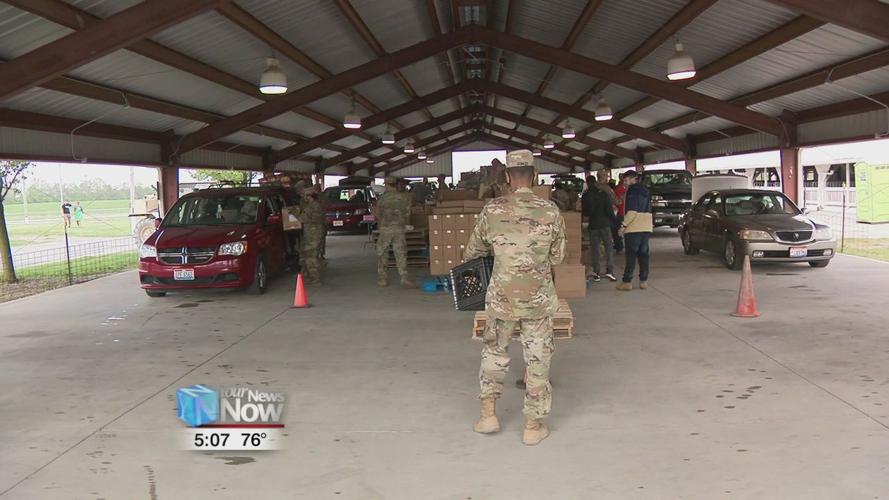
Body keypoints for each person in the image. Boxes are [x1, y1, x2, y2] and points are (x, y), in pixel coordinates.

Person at [464, 149, 566, 446]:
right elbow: (559, 258)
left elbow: (472, 252)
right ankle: (533, 426)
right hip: (538, 299)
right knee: (537, 358)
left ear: (507, 177)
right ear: (534, 176)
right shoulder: (550, 211)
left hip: (501, 299)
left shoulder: (492, 210)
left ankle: (487, 416)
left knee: (494, 353)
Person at [372, 176, 415, 288]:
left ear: (386, 184)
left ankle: (383, 279)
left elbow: (378, 215)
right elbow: (408, 213)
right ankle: (404, 277)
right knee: (400, 253)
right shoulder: (405, 197)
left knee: (382, 253)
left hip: (386, 229)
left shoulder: (382, 198)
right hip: (399, 229)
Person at [617, 171, 653, 291]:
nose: (625, 184)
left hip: (634, 227)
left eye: (626, 181)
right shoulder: (646, 190)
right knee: (644, 254)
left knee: (631, 255)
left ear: (633, 179)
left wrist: (623, 225)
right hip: (646, 225)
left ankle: (627, 282)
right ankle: (643, 281)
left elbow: (632, 211)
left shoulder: (632, 191)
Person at [581, 176, 616, 282]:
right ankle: (609, 271)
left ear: (587, 183)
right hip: (605, 224)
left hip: (593, 225)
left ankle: (597, 272)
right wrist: (614, 220)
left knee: (595, 249)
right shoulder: (603, 193)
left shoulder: (585, 195)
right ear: (595, 182)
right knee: (608, 248)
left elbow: (586, 213)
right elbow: (609, 209)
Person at [298, 187, 326, 285]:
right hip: (313, 234)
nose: (305, 198)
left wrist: (295, 213)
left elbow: (303, 219)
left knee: (311, 257)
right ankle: (313, 277)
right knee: (311, 256)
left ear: (310, 196)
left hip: (313, 235)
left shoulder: (312, 206)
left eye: (306, 195)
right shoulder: (315, 205)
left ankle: (315, 278)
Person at [612, 172, 628, 254]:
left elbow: (614, 201)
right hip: (626, 213)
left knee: (616, 230)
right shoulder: (628, 188)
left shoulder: (617, 188)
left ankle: (619, 246)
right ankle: (621, 246)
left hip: (620, 213)